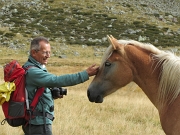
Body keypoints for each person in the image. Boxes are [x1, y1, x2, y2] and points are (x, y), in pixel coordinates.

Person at [22, 37, 99, 135]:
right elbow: (57, 80)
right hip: (39, 124)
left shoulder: (30, 68)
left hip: (34, 122)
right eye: (45, 52)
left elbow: (33, 93)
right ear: (33, 52)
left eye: (49, 52)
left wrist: (50, 94)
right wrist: (85, 74)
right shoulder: (33, 71)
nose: (48, 56)